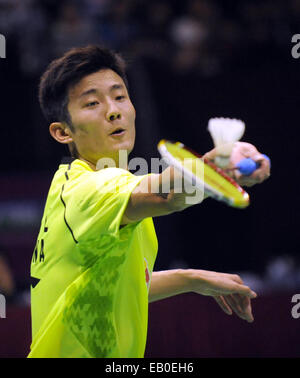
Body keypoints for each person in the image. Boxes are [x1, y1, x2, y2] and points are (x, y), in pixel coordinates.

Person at [28, 45, 270, 358]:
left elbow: (118, 286)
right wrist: (216, 164)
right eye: (92, 103)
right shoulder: (88, 190)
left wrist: (190, 278)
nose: (113, 110)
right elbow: (165, 194)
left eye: (119, 96)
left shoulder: (78, 190)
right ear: (63, 132)